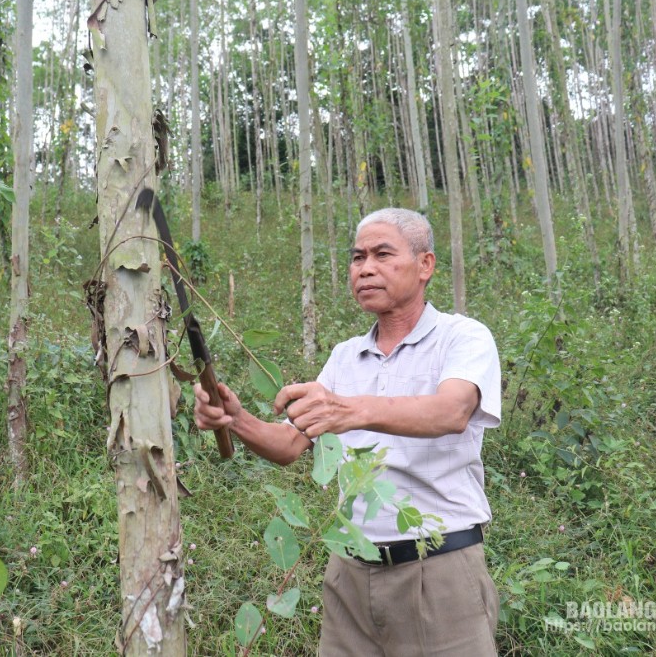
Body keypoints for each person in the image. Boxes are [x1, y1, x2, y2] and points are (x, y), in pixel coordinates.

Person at [193, 207, 501, 656]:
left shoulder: (462, 338)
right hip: (349, 574)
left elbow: (451, 411)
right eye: (357, 258)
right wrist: (235, 419)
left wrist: (350, 410)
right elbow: (289, 445)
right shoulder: (345, 356)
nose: (365, 268)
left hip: (437, 570)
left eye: (382, 254)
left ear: (425, 265)